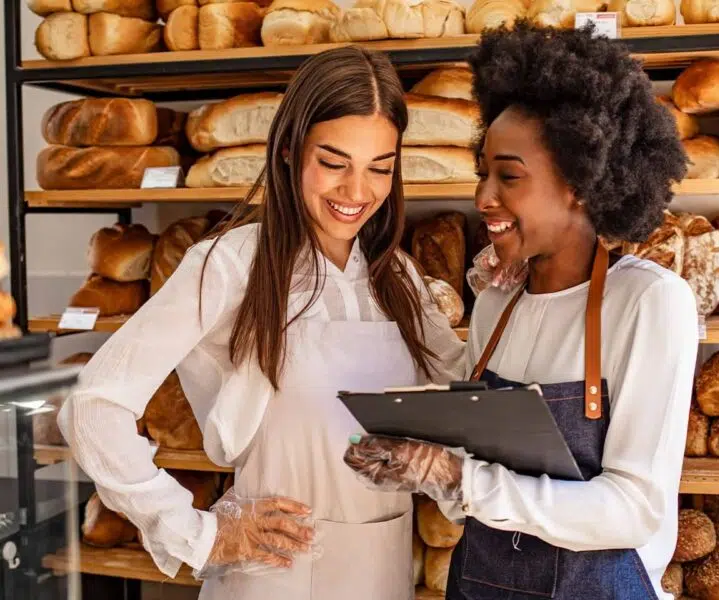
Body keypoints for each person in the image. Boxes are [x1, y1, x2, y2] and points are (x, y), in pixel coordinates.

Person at [58, 46, 467, 600]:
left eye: (380, 168)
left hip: (383, 570)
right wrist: (199, 535)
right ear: (289, 153)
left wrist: (506, 298)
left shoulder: (397, 276)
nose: (357, 192)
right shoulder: (228, 265)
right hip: (275, 574)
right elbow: (92, 406)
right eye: (333, 162)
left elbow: (465, 399)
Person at [344, 23, 698, 600]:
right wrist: (424, 470)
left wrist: (455, 474)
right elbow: (478, 499)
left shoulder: (649, 303)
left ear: (580, 183)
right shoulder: (495, 302)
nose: (483, 195)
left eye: (508, 176)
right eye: (483, 172)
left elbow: (631, 511)